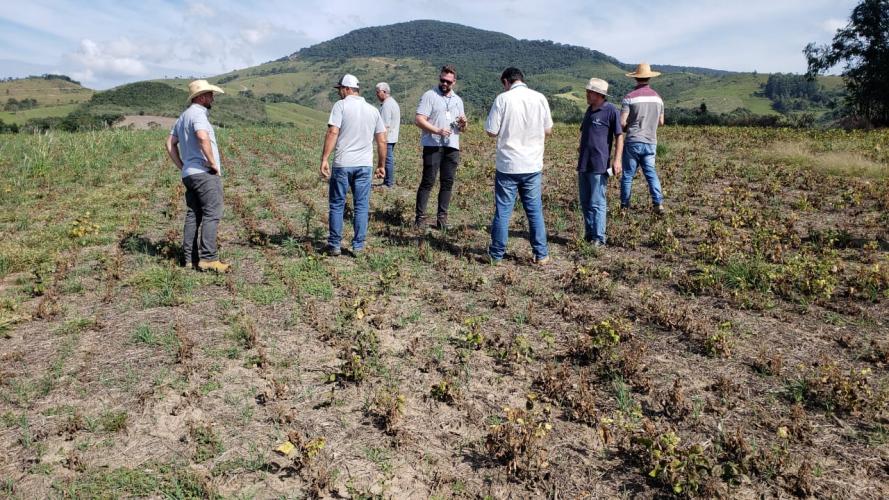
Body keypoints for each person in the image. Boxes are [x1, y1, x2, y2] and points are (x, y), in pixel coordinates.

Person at [484, 67, 553, 265]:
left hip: (508, 165)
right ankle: (541, 254)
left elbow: (491, 131)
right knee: (534, 210)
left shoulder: (503, 99)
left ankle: (496, 254)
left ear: (506, 81)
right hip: (532, 164)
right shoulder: (540, 98)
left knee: (503, 211)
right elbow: (548, 130)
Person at [165, 79, 230, 273]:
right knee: (212, 213)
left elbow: (169, 143)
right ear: (201, 97)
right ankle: (209, 259)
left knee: (193, 214)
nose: (213, 98)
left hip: (189, 174)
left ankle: (189, 259)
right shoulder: (198, 115)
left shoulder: (183, 116)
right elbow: (202, 137)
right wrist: (212, 163)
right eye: (210, 94)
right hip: (204, 174)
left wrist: (182, 166)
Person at [319, 74, 386, 256]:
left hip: (343, 163)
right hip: (364, 165)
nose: (339, 92)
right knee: (362, 205)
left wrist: (324, 158)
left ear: (347, 89)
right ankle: (358, 246)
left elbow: (333, 132)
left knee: (337, 204)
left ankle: (334, 245)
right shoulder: (373, 110)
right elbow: (381, 140)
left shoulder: (341, 106)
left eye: (340, 89)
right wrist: (381, 165)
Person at [414, 64, 467, 231]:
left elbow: (462, 128)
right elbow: (419, 119)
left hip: (452, 146)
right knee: (428, 181)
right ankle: (420, 218)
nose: (444, 84)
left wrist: (464, 124)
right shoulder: (429, 96)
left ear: (454, 82)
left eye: (448, 82)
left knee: (447, 182)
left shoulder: (458, 100)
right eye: (442, 80)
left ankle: (442, 218)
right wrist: (437, 130)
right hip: (433, 145)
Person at [577, 78, 623, 246]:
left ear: (598, 94)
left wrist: (617, 160)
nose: (586, 94)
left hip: (599, 164)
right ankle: (589, 234)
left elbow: (619, 136)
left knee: (597, 202)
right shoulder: (589, 110)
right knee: (585, 201)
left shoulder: (611, 110)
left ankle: (599, 237)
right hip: (584, 163)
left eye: (589, 92)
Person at [620, 63, 665, 214]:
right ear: (649, 77)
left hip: (633, 140)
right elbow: (661, 122)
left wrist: (628, 127)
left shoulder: (629, 97)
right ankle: (658, 203)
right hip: (651, 141)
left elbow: (622, 122)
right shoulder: (658, 98)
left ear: (636, 78)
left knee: (628, 175)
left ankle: (625, 206)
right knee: (651, 173)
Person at [375, 82, 400, 188]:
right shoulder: (391, 102)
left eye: (378, 92)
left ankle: (388, 182)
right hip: (392, 136)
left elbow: (384, 125)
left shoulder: (387, 105)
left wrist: (381, 140)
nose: (376, 94)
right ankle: (387, 181)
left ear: (384, 92)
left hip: (387, 138)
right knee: (387, 159)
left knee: (387, 159)